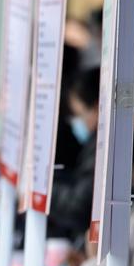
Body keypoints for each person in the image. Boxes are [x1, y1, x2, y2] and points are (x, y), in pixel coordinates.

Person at [48, 66, 100, 242]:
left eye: (80, 114)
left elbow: (79, 206)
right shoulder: (92, 145)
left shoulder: (101, 150)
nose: (78, 122)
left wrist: (44, 189)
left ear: (97, 107)